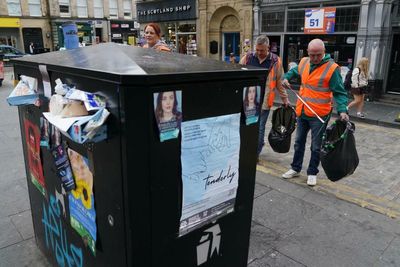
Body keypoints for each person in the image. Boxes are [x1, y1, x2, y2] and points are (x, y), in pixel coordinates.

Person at [281, 38, 349, 186]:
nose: (315, 58)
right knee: (299, 142)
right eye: (312, 55)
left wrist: (343, 110)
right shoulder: (304, 62)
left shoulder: (332, 68)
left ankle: (312, 172)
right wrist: (286, 78)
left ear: (324, 52)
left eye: (318, 54)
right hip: (303, 111)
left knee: (316, 146)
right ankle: (295, 168)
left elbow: (340, 92)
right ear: (308, 53)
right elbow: (293, 71)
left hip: (319, 114)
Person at [239, 35, 289, 160]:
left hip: (265, 102)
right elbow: (238, 75)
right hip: (248, 100)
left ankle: (254, 154)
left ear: (268, 47)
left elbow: (279, 82)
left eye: (262, 50)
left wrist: (285, 99)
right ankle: (247, 148)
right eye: (257, 50)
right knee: (246, 127)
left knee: (259, 130)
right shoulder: (248, 58)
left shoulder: (275, 61)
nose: (259, 53)